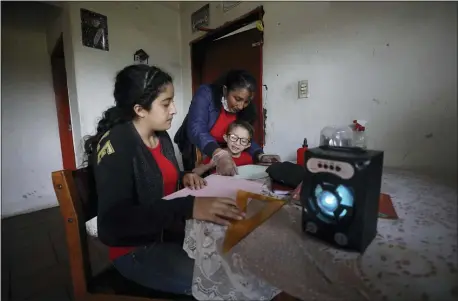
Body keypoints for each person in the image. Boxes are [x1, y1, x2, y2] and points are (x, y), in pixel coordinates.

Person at [83, 64, 246, 295]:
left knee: (233, 257)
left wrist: (185, 176)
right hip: (135, 250)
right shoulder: (118, 145)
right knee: (220, 279)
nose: (174, 110)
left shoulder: (161, 136)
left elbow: (158, 175)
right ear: (140, 109)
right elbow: (111, 225)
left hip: (166, 234)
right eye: (166, 103)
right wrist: (189, 206)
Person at [174, 69, 280, 176]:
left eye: (246, 102)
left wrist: (259, 155)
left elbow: (245, 137)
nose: (241, 106)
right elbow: (196, 128)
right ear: (225, 90)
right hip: (194, 146)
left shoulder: (247, 110)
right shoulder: (206, 93)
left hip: (223, 150)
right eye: (237, 99)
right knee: (196, 181)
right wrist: (219, 154)